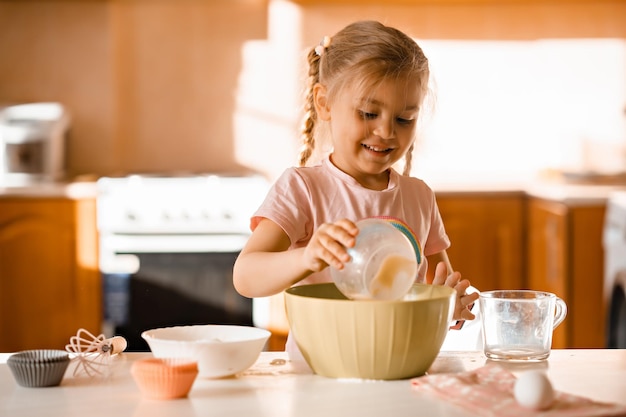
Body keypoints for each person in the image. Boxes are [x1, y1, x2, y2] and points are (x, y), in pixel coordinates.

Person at [233, 20, 479, 344]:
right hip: (320, 373)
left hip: (401, 370)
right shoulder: (303, 189)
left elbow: (435, 294)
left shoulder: (419, 197)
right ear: (324, 103)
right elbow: (246, 276)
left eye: (404, 119)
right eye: (368, 113)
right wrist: (307, 258)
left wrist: (451, 306)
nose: (387, 132)